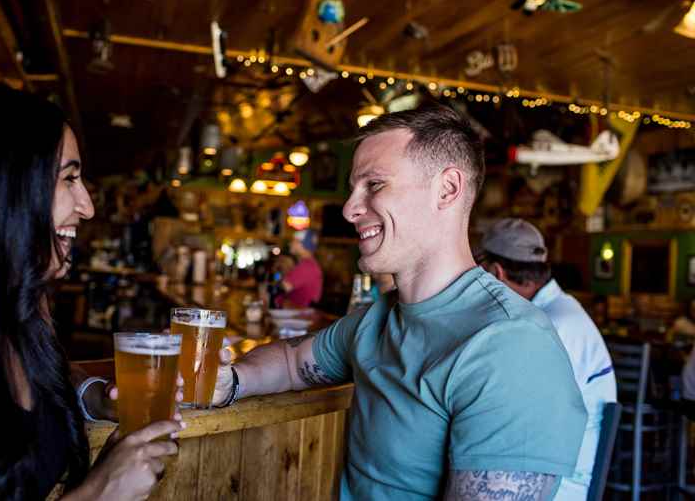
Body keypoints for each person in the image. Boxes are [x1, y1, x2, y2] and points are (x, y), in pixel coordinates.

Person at [212, 106, 587, 500]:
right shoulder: (377, 318)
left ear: (447, 189)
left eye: (374, 185)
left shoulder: (509, 348)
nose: (348, 209)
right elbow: (292, 364)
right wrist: (233, 381)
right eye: (354, 188)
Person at [0, 85, 183, 501]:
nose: (88, 207)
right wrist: (98, 493)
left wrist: (96, 397)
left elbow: (42, 381)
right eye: (69, 178)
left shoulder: (23, 307)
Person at [478, 218, 617, 500]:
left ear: (496, 272)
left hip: (557, 484)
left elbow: (506, 415)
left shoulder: (548, 326)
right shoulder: (558, 312)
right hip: (553, 467)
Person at [280, 228, 323, 308]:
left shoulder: (307, 265)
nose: (290, 244)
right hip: (298, 314)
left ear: (301, 244)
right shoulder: (308, 264)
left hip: (301, 316)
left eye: (293, 241)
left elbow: (285, 286)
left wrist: (278, 273)